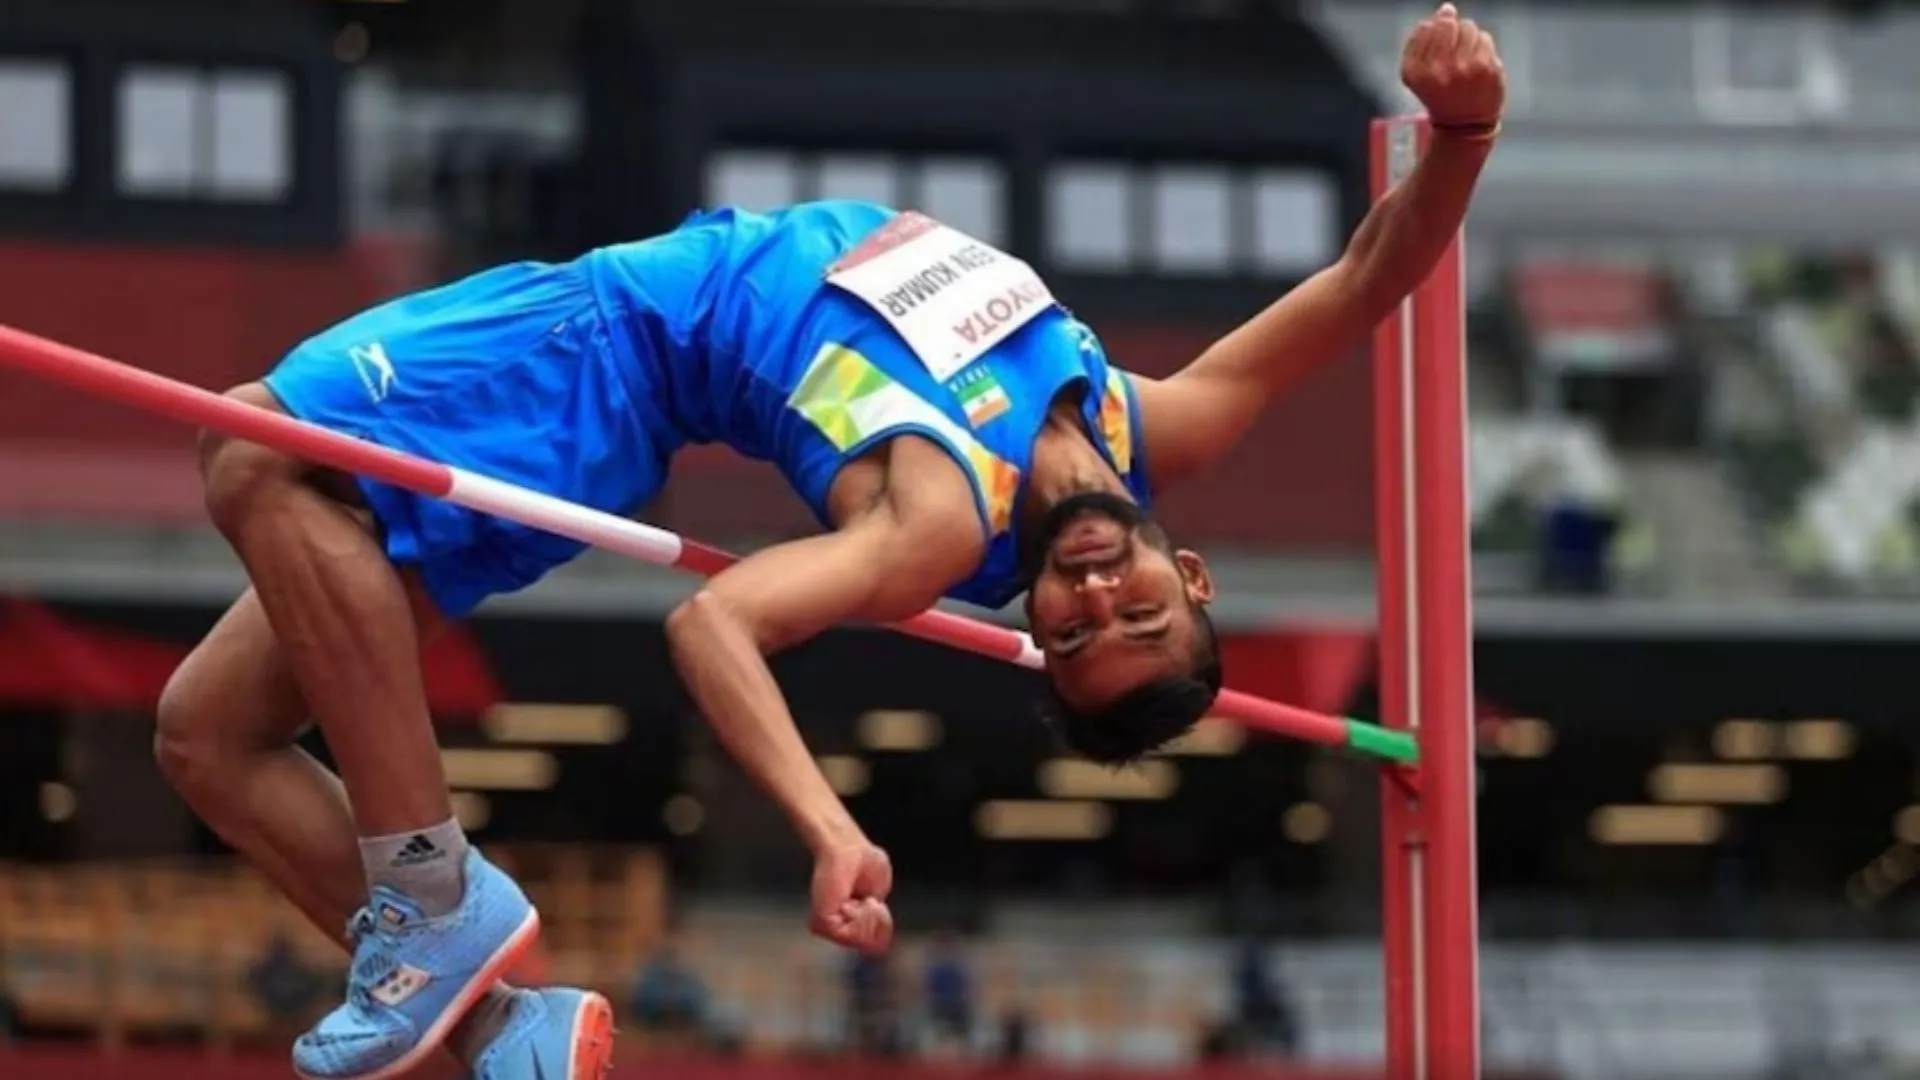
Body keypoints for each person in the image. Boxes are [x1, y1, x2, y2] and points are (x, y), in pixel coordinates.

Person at [152, 6, 1504, 1080]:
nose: (1097, 597)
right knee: (209, 732)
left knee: (258, 446)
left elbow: (713, 622)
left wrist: (825, 825)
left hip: (606, 348)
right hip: (600, 395)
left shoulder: (937, 523)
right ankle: (509, 1031)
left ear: (1028, 623)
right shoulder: (1153, 423)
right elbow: (1367, 276)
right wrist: (1463, 130)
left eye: (1075, 634)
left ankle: (428, 894)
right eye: (1138, 612)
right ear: (1188, 571)